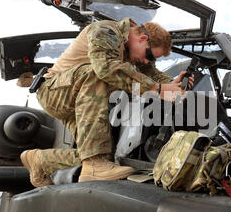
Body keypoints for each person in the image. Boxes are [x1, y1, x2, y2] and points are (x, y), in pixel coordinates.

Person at [19, 17, 194, 187]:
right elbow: (105, 68)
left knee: (99, 154)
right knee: (97, 73)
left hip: (80, 99)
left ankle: (39, 161)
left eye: (152, 59)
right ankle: (93, 166)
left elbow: (151, 75)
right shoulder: (106, 31)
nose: (147, 61)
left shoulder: (134, 51)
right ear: (142, 38)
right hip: (54, 92)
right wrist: (159, 89)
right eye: (149, 55)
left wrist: (173, 84)